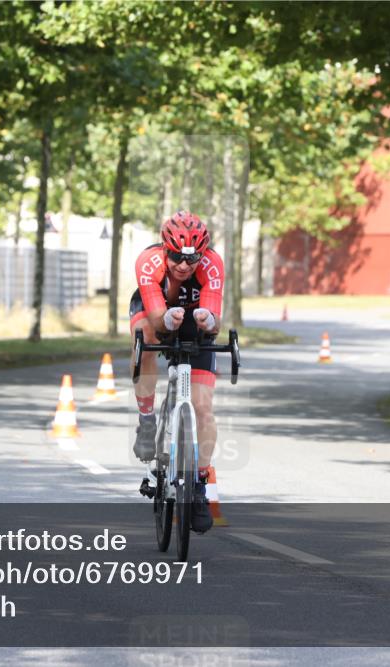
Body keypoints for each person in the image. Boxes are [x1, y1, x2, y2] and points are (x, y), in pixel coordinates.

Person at [128, 210, 224, 534]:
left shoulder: (213, 264)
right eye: (176, 257)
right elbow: (156, 317)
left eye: (192, 258)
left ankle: (197, 484)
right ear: (164, 249)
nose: (184, 266)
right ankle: (146, 418)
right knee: (146, 335)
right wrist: (167, 319)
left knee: (203, 408)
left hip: (193, 322)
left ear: (203, 253)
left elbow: (214, 316)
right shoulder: (149, 261)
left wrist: (208, 321)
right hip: (155, 310)